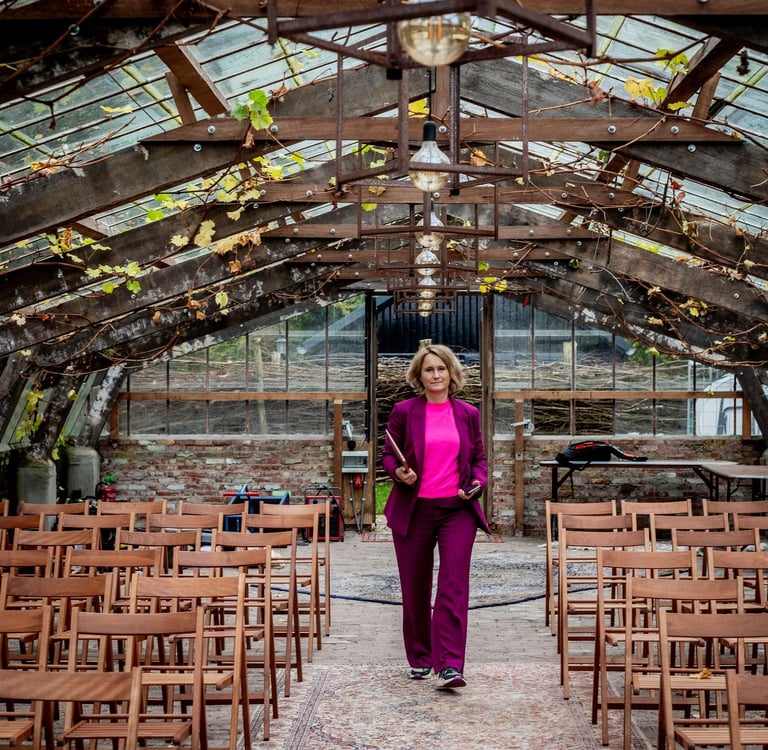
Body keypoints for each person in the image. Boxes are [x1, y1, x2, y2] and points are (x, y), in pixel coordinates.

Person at [381, 344, 489, 689]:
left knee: (453, 587)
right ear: (419, 375)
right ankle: (421, 657)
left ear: (452, 373)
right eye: (429, 369)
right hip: (414, 511)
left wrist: (477, 482)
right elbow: (388, 456)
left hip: (457, 511)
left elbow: (480, 462)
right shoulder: (403, 411)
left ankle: (450, 666)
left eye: (441, 369)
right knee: (415, 588)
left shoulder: (468, 414)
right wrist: (400, 473)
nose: (436, 375)